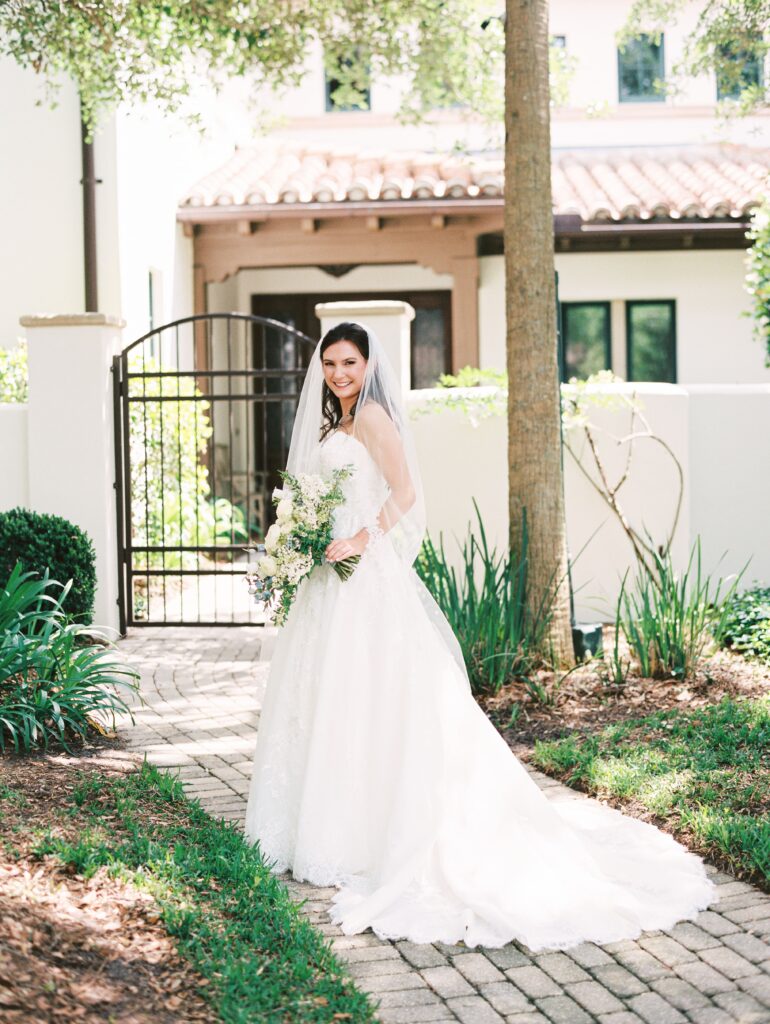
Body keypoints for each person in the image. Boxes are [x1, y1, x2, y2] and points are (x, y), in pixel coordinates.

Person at [244, 319, 716, 951]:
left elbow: (405, 493)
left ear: (368, 366)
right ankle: (326, 826)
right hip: (331, 579)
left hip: (364, 574)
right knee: (333, 698)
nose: (338, 375)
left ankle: (378, 831)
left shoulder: (377, 419)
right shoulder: (334, 426)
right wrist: (305, 539)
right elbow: (321, 499)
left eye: (349, 363)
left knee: (377, 696)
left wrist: (359, 538)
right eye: (330, 364)